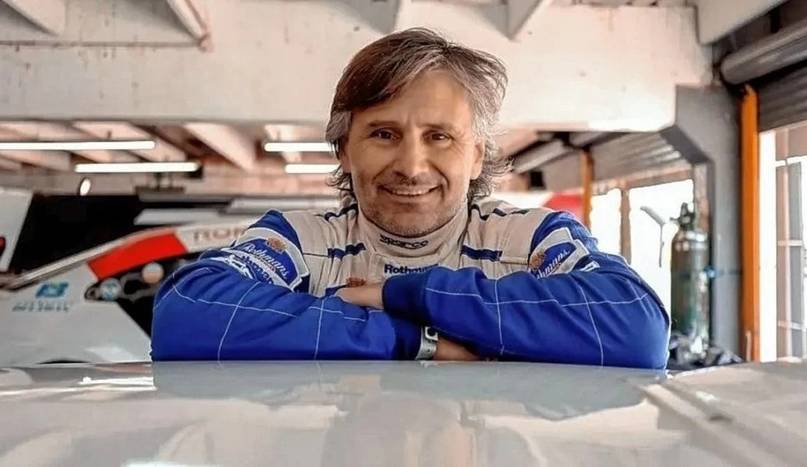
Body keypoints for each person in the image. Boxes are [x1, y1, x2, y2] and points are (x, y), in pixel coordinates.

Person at [151, 28, 669, 368]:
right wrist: (415, 341)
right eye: (384, 134)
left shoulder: (531, 240)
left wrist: (402, 295)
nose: (411, 165)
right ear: (344, 150)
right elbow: (186, 313)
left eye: (439, 136)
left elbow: (635, 326)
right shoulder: (299, 242)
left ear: (476, 156)